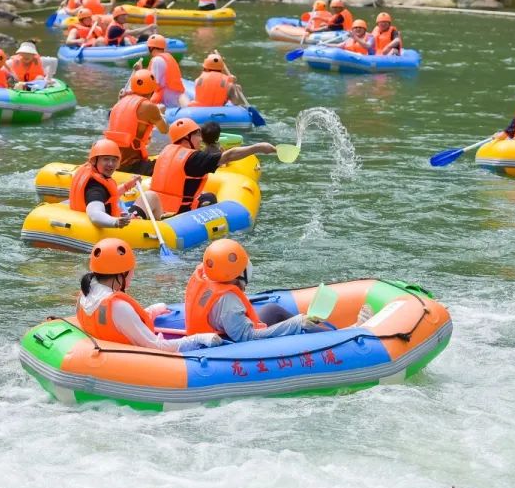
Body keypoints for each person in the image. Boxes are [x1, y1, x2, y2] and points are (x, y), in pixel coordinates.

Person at [183, 239, 371, 341]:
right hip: (225, 346)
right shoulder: (229, 303)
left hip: (220, 331)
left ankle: (334, 334)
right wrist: (297, 323)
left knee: (272, 310)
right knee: (297, 328)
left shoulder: (206, 274)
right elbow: (246, 338)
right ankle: (346, 336)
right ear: (234, 274)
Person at [77, 239, 222, 352]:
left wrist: (151, 312)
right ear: (122, 273)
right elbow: (157, 346)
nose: (133, 274)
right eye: (132, 270)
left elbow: (117, 323)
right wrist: (198, 338)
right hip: (127, 364)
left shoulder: (86, 292)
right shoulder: (119, 307)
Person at [149, 118, 279, 215]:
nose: (200, 139)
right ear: (187, 137)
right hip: (177, 213)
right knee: (210, 199)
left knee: (206, 196)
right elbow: (228, 156)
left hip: (156, 208)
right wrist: (258, 147)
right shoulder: (194, 158)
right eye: (196, 135)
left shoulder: (165, 152)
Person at [69, 139, 159, 227]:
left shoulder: (94, 174)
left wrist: (127, 186)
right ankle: (161, 224)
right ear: (94, 160)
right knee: (152, 197)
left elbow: (110, 196)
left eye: (114, 160)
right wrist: (115, 222)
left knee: (150, 196)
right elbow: (94, 214)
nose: (111, 164)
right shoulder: (95, 188)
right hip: (119, 223)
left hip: (118, 216)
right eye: (106, 159)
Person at [105, 68, 169, 175]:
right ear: (153, 89)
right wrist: (159, 113)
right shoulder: (150, 107)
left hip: (110, 161)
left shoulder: (120, 102)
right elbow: (164, 129)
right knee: (170, 165)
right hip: (132, 166)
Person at [144, 34, 186, 108]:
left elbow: (153, 84)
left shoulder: (156, 60)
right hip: (176, 95)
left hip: (166, 99)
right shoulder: (169, 57)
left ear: (151, 48)